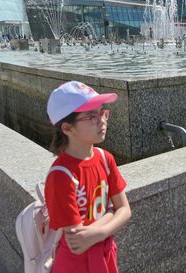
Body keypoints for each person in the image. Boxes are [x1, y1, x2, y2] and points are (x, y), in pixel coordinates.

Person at [44, 81, 131, 273]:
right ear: (67, 128)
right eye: (91, 116)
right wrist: (111, 212)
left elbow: (125, 210)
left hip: (105, 252)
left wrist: (99, 232)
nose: (102, 120)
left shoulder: (105, 159)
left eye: (102, 112)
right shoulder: (61, 175)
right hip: (76, 264)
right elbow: (77, 241)